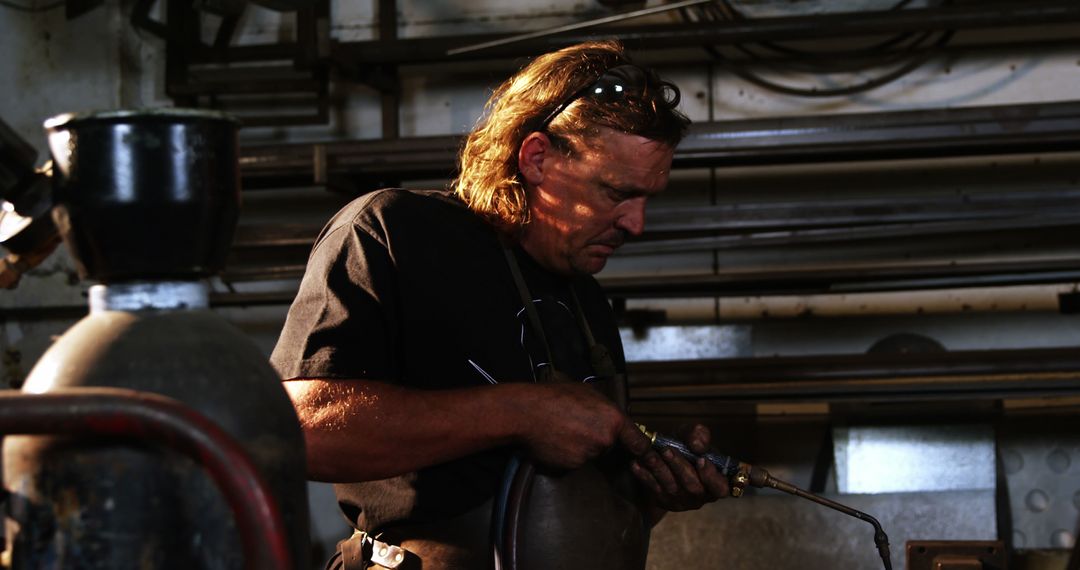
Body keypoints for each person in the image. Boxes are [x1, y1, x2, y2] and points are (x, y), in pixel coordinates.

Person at [270, 40, 728, 570]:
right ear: (537, 158)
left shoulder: (584, 299)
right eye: (615, 192)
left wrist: (652, 493)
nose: (636, 224)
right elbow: (298, 430)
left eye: (648, 198)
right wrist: (520, 412)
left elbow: (569, 513)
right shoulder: (394, 234)